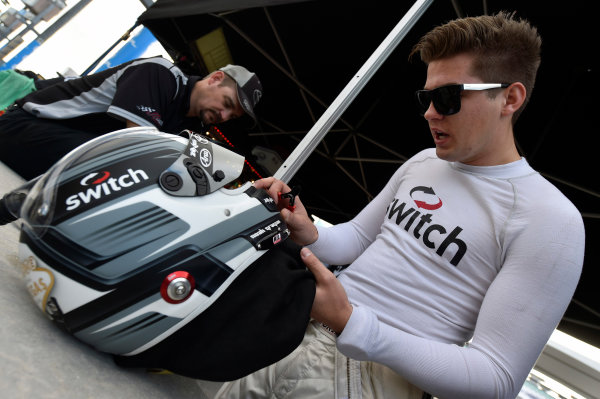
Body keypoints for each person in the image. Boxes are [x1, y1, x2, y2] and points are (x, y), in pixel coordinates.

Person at [214, 11, 585, 399]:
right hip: (296, 329)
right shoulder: (424, 161)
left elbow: (496, 377)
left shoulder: (550, 219)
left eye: (447, 97)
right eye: (426, 97)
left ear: (509, 98)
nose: (429, 112)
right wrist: (308, 230)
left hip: (371, 379)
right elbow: (358, 238)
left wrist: (353, 323)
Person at [0, 57, 262, 180]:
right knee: (123, 168)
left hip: (58, 146)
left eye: (232, 115)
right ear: (215, 79)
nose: (224, 116)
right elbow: (135, 150)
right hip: (23, 126)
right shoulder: (161, 74)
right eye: (227, 103)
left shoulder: (189, 126)